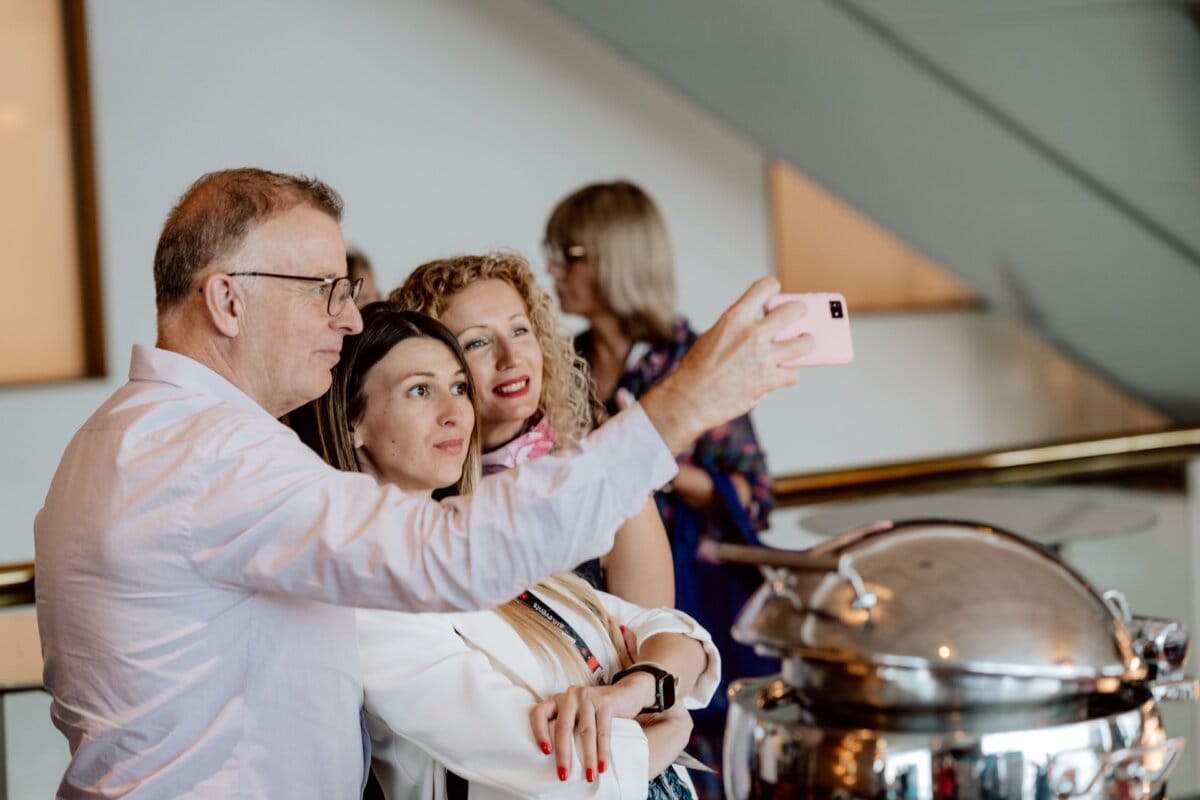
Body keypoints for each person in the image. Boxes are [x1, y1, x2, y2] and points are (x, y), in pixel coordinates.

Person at [34, 167, 811, 798]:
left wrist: (644, 691)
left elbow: (660, 633)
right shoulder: (210, 455)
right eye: (324, 291)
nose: (346, 320)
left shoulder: (122, 435)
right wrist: (686, 406)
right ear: (228, 299)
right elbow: (450, 559)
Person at [290, 305, 718, 798]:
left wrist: (635, 689)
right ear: (351, 422)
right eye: (420, 390)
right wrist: (670, 725)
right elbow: (561, 765)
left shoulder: (485, 543)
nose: (454, 413)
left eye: (458, 388)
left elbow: (678, 634)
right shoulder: (370, 599)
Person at [544, 180, 778, 794]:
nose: (552, 270)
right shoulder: (561, 361)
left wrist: (651, 457)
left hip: (693, 592)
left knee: (701, 751)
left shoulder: (691, 360)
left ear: (615, 256)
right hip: (599, 598)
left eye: (569, 254)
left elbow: (755, 493)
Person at [390, 252, 673, 607]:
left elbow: (662, 637)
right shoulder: (417, 505)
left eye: (519, 330)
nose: (511, 358)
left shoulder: (604, 484)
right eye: (478, 342)